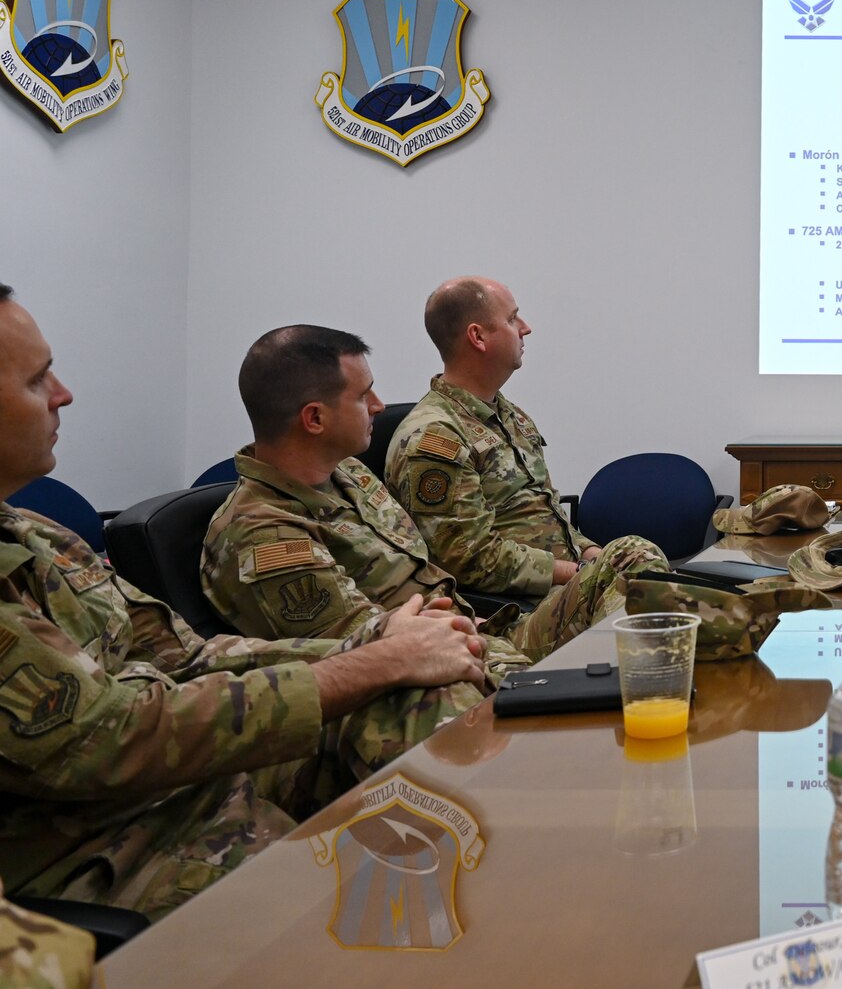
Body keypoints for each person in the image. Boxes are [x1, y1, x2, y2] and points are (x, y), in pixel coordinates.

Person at [0, 285, 488, 919]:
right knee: (375, 908)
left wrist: (379, 649)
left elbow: (189, 658)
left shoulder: (40, 536)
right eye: (39, 381)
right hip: (109, 845)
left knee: (419, 699)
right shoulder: (258, 529)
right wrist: (377, 660)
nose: (64, 394)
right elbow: (112, 737)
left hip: (195, 786)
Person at [202, 325, 664, 667]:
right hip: (422, 672)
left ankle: (649, 683)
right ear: (315, 419)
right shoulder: (263, 536)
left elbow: (426, 572)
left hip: (478, 630)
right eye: (364, 396)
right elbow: (362, 653)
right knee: (586, 682)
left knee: (632, 556)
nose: (380, 407)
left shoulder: (350, 474)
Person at [384, 277, 659, 597]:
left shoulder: (510, 416)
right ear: (478, 336)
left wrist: (592, 555)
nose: (526, 328)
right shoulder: (435, 436)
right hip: (516, 606)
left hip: (565, 584)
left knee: (640, 559)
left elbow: (545, 516)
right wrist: (584, 573)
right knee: (660, 606)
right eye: (512, 318)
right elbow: (471, 559)